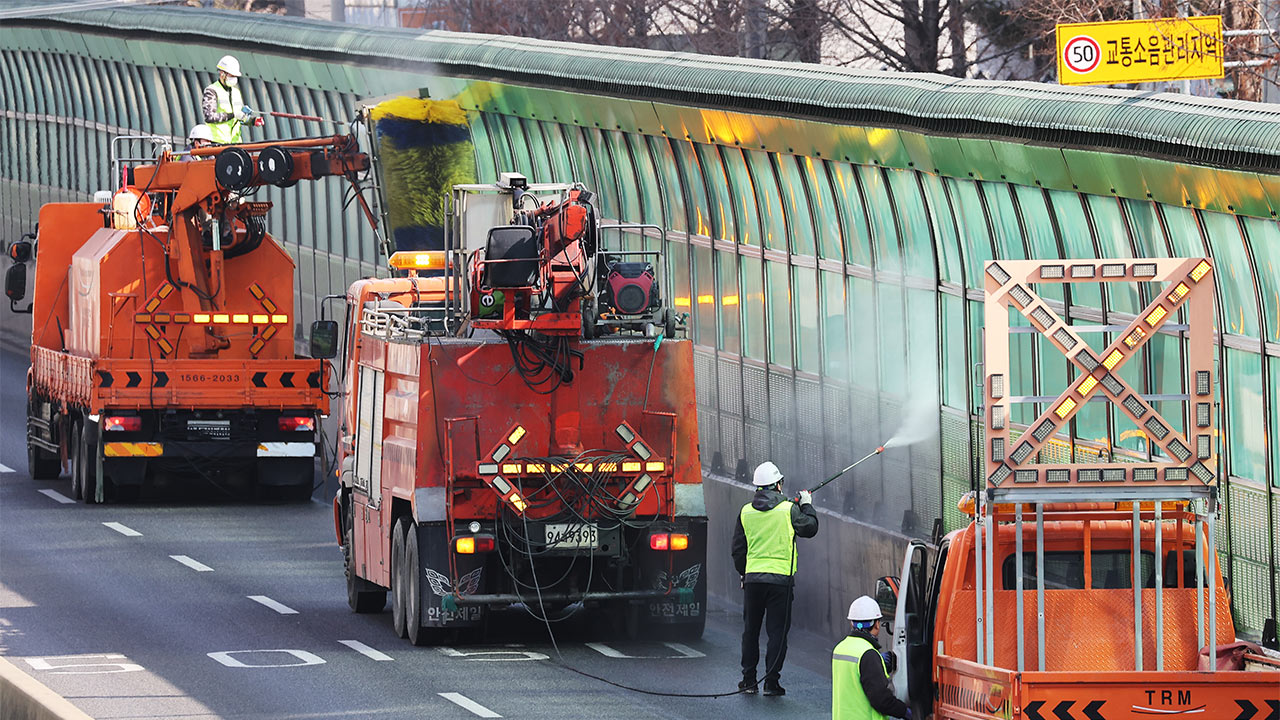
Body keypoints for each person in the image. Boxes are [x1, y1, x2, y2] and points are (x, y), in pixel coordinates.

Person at [731, 460, 818, 697]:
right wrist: (807, 505)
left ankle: (748, 681)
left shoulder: (745, 512)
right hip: (780, 582)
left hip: (753, 581)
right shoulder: (789, 510)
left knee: (751, 631)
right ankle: (771, 682)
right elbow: (810, 528)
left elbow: (738, 550)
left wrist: (744, 573)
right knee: (776, 633)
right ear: (778, 485)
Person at [832, 596, 911, 719]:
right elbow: (881, 700)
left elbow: (854, 679)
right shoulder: (868, 654)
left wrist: (879, 665)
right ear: (877, 624)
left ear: (852, 622)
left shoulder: (840, 648)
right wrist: (905, 711)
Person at [202, 55, 253, 144]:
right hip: (217, 142)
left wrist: (252, 120)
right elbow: (209, 117)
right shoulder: (212, 91)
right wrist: (233, 115)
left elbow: (239, 119)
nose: (234, 78)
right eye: (231, 75)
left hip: (235, 142)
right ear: (222, 74)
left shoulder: (236, 92)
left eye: (235, 76)